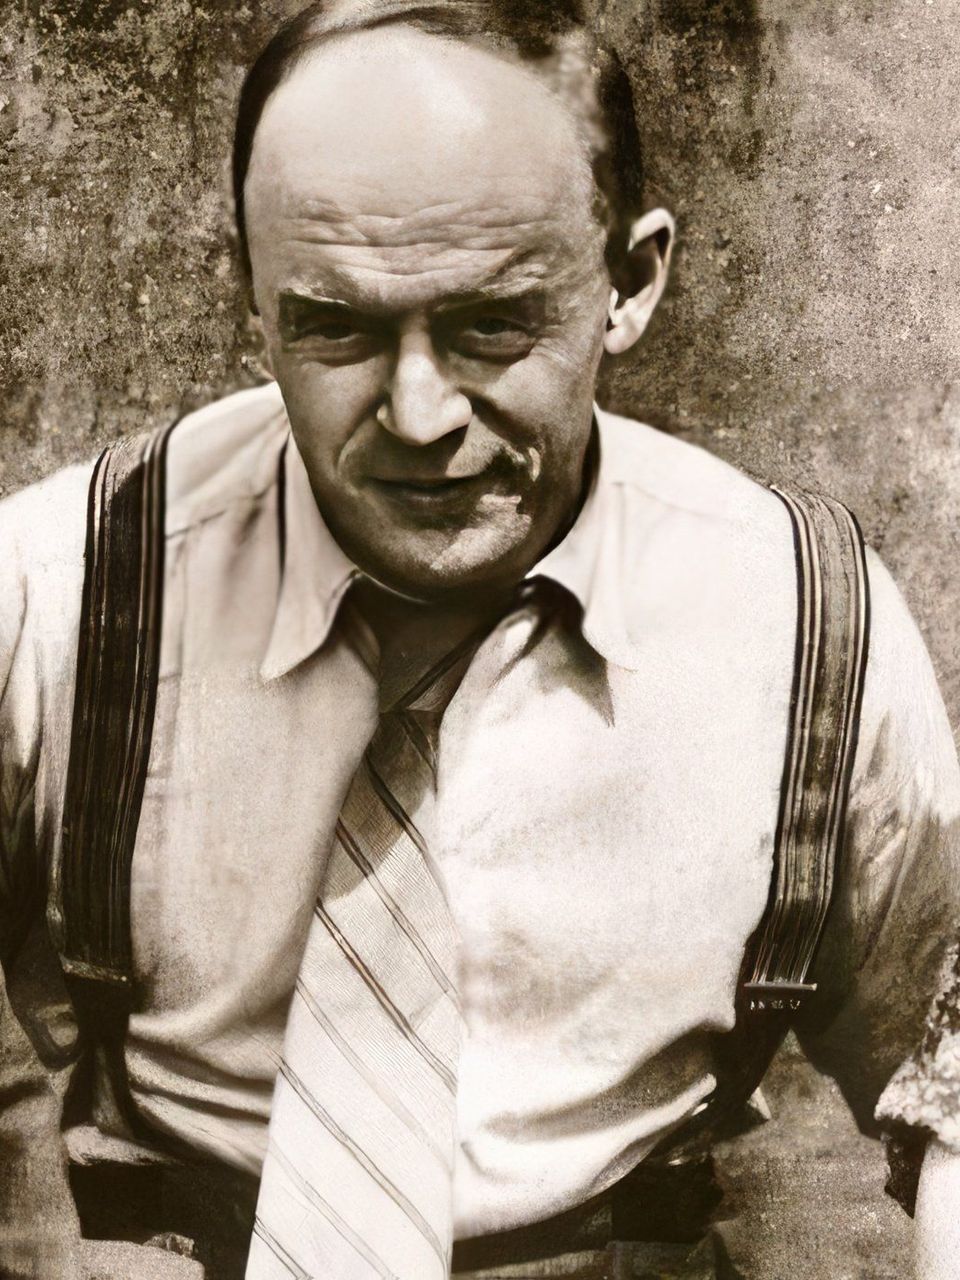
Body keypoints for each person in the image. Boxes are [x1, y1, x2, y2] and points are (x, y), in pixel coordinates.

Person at [0, 1, 958, 1277]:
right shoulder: (59, 586)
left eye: (492, 324)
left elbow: (949, 1069)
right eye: (337, 325)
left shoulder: (803, 621)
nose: (418, 414)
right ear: (249, 296)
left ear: (630, 282)